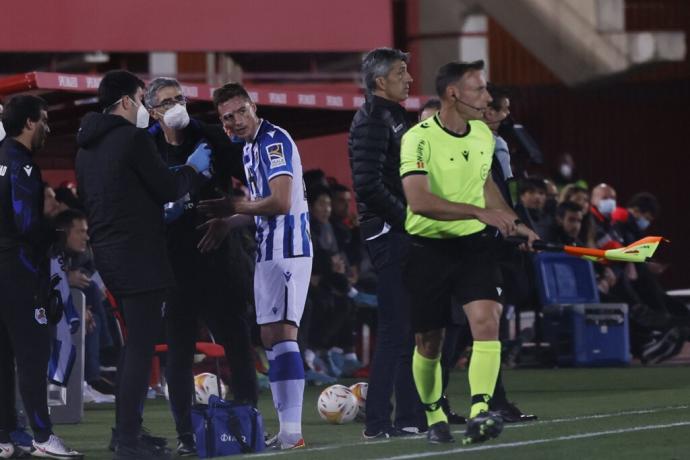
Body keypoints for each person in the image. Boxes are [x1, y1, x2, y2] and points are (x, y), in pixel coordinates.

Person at [400, 60, 538, 445]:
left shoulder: (481, 135)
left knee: (486, 319)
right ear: (453, 94)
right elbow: (419, 201)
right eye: (480, 90)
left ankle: (481, 410)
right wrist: (482, 212)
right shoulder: (418, 139)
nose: (488, 98)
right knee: (429, 342)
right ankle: (434, 414)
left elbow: (487, 186)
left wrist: (513, 222)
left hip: (473, 245)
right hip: (427, 247)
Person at [75, 70, 211, 460]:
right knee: (139, 347)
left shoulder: (85, 147)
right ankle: (127, 438)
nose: (143, 106)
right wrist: (193, 170)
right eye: (139, 96)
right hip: (139, 254)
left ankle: (128, 432)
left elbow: (119, 192)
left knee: (135, 343)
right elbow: (167, 190)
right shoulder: (133, 138)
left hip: (110, 252)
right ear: (124, 101)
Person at [144, 77, 257, 456]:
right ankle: (185, 434)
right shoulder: (146, 147)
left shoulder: (211, 137)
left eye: (180, 98)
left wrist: (230, 218)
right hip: (173, 266)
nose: (177, 105)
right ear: (152, 111)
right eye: (167, 101)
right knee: (178, 352)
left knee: (238, 343)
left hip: (220, 261)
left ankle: (247, 421)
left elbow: (255, 183)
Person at [198, 82, 312, 450]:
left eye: (240, 112)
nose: (235, 121)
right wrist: (228, 223)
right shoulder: (248, 149)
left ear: (253, 107)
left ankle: (293, 431)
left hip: (290, 249)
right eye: (226, 117)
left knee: (283, 335)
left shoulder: (272, 141)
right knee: (269, 337)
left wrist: (232, 207)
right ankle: (286, 430)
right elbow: (259, 208)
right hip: (268, 249)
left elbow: (279, 202)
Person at [348, 47, 426, 439]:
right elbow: (367, 185)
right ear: (381, 82)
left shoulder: (393, 117)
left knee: (407, 327)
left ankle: (411, 416)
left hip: (400, 229)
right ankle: (378, 422)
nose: (409, 78)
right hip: (388, 232)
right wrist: (409, 219)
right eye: (401, 72)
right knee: (396, 328)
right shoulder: (373, 120)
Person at [0, 95, 83, 458]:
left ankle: (3, 438)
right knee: (33, 355)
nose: (48, 127)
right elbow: (26, 223)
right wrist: (56, 235)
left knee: (2, 358)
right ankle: (43, 437)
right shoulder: (23, 166)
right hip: (18, 269)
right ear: (30, 123)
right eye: (45, 120)